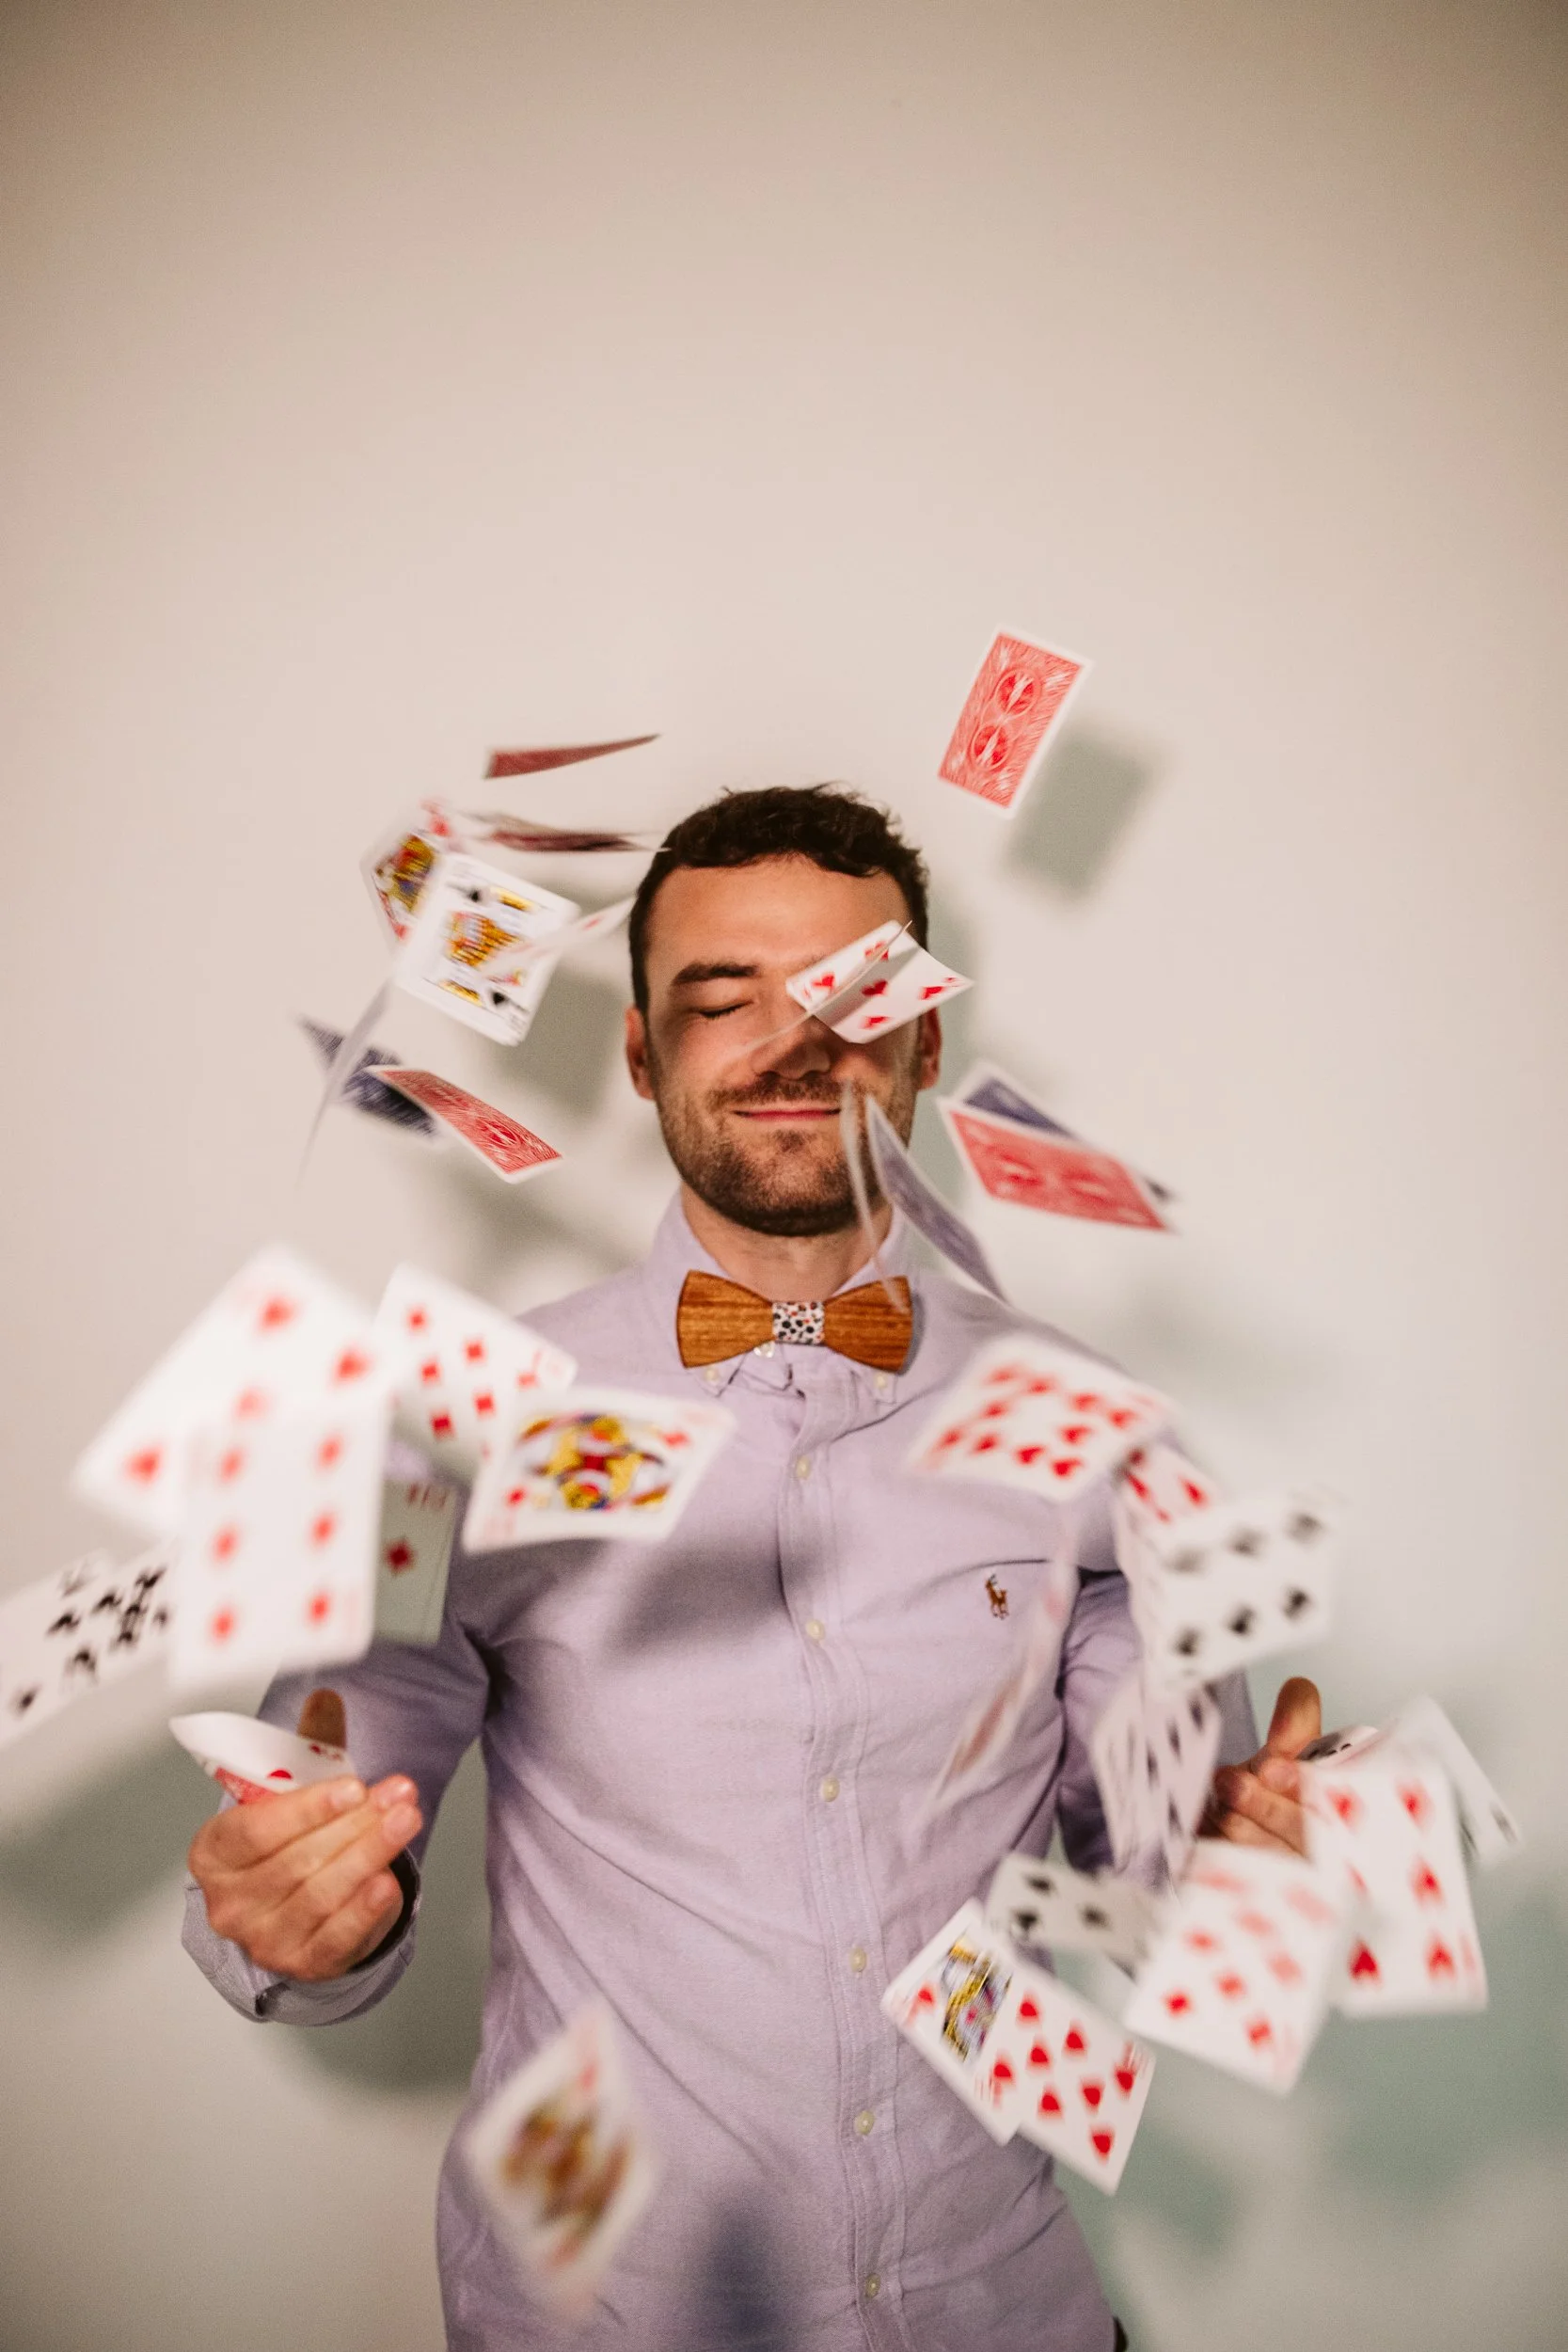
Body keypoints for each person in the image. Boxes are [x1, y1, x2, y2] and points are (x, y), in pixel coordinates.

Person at [185, 786, 1324, 2352]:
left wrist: (1230, 1853)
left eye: (855, 1001)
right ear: (644, 1057)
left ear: (923, 1043)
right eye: (722, 1001)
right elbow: (310, 1823)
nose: (795, 1049)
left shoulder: (1090, 1427)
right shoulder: (463, 1429)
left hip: (1006, 2311)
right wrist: (307, 1913)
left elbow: (1142, 1860)